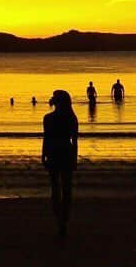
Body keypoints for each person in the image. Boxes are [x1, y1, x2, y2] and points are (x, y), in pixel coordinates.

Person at [43, 90, 79, 237]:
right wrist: (74, 159)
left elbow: (47, 138)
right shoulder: (71, 118)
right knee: (66, 188)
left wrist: (43, 155)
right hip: (66, 152)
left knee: (56, 188)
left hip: (54, 152)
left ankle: (60, 219)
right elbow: (74, 141)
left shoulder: (48, 118)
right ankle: (63, 219)